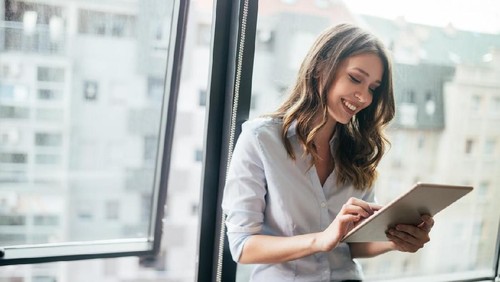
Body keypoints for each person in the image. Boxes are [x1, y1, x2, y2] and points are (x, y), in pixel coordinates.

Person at [221, 23, 434, 281]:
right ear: (322, 68)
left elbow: (353, 244)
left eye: (373, 88)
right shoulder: (260, 140)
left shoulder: (359, 151)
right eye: (356, 78)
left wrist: (396, 240)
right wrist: (321, 240)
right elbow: (243, 246)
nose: (364, 97)